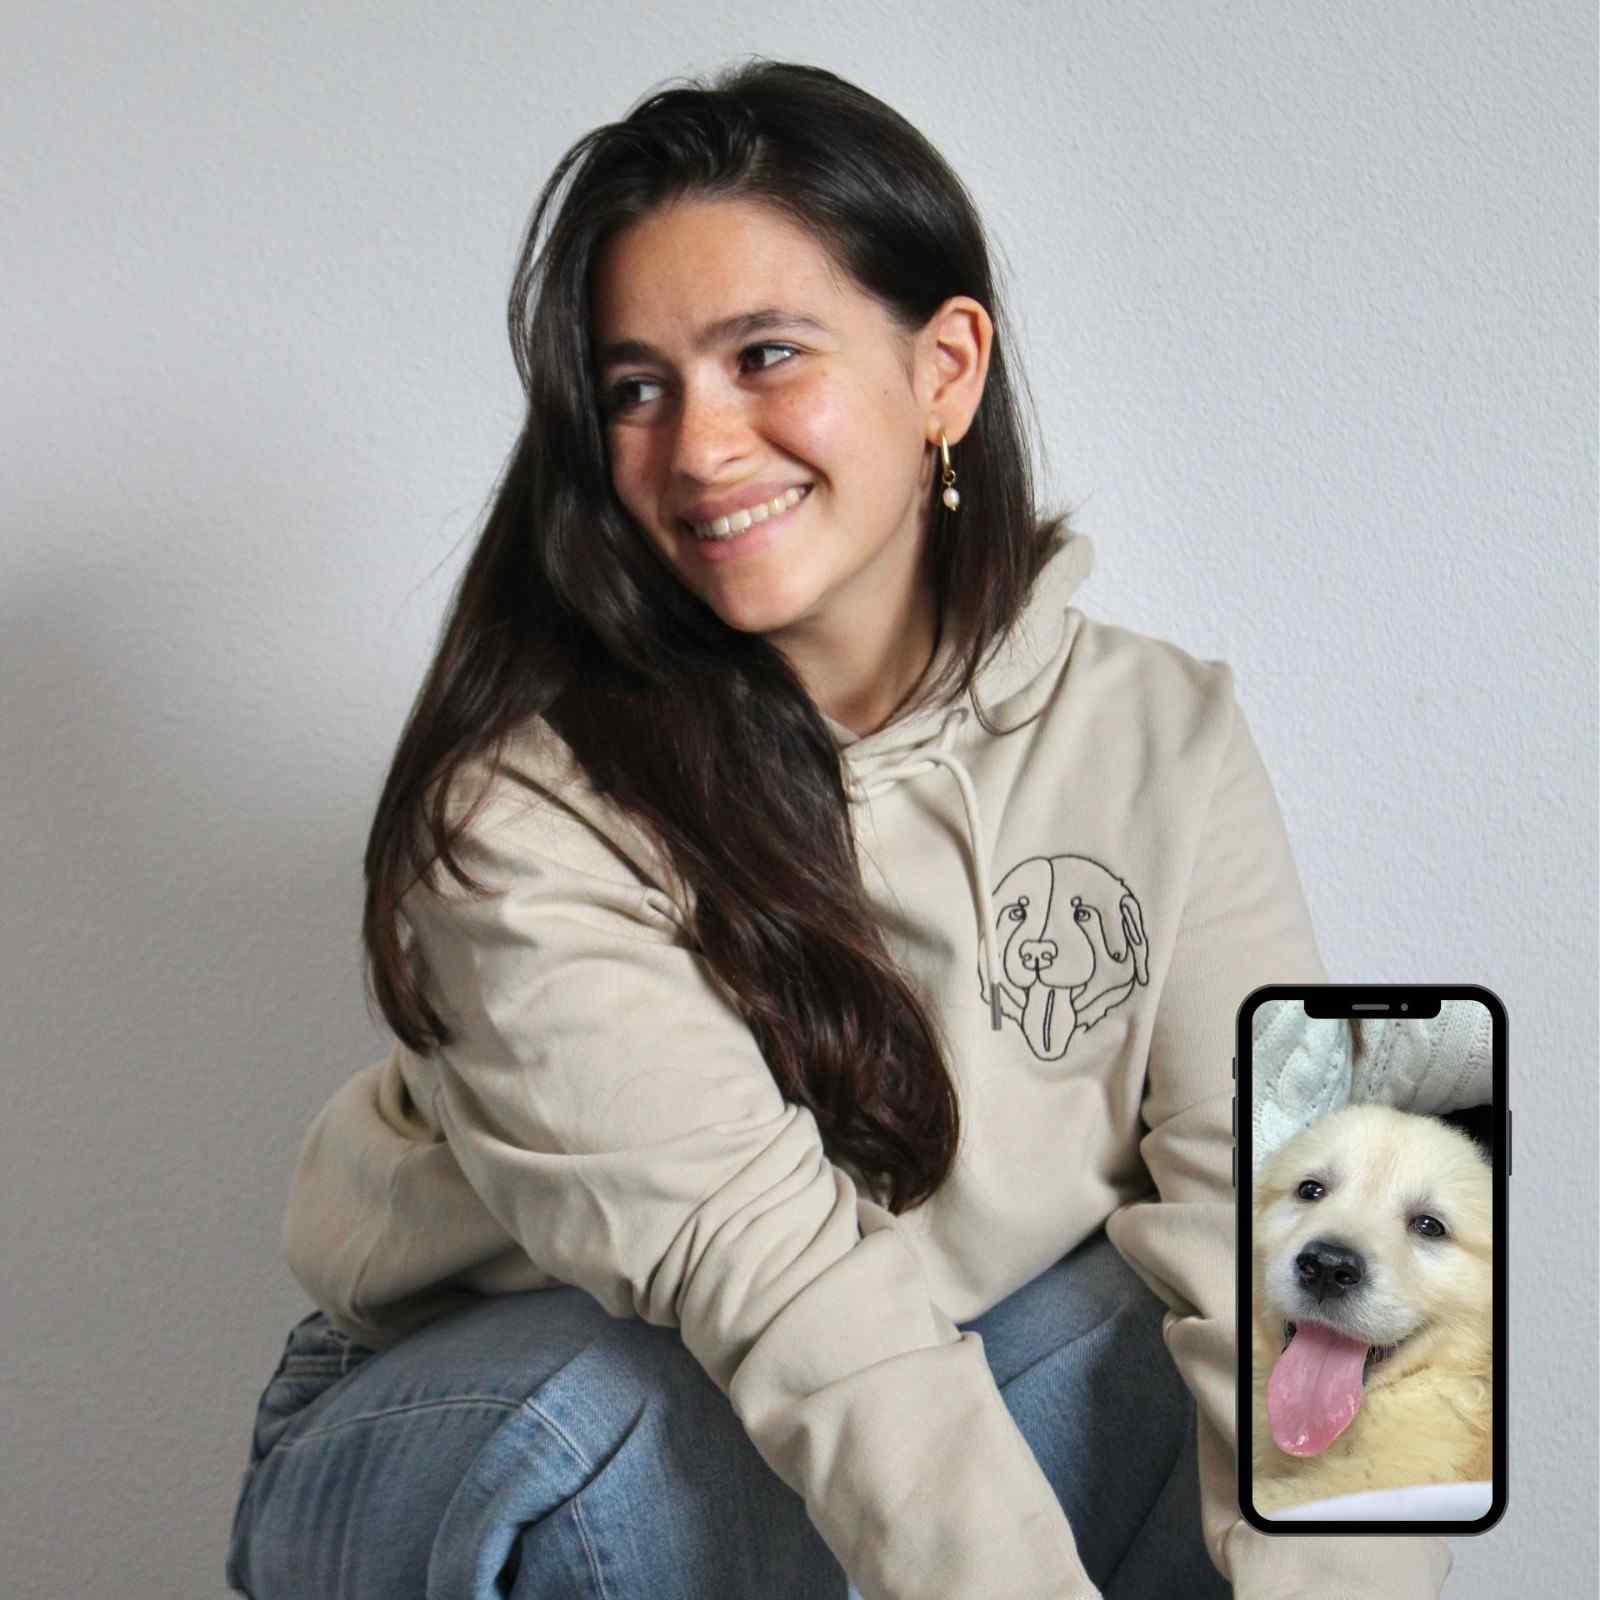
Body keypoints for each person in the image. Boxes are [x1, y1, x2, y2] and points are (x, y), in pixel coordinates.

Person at [224, 59, 1453, 1599]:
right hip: (500, 1427)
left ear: (946, 370)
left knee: (1236, 1335)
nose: (699, 446)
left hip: (912, 1368)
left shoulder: (1165, 734)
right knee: (637, 1414)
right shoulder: (524, 809)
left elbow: (1297, 1226)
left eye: (765, 354)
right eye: (637, 387)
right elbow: (782, 1291)